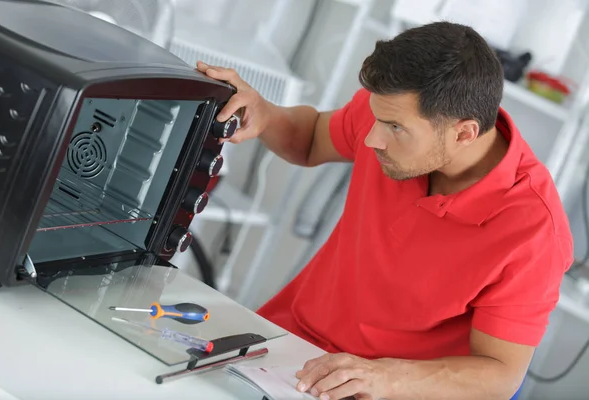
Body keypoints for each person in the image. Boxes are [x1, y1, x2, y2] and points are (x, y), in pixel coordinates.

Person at [197, 21, 573, 400]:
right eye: (377, 118)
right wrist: (263, 112)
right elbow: (311, 139)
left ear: (464, 133)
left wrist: (384, 378)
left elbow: (500, 374)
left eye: (394, 127)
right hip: (287, 354)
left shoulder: (535, 232)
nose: (372, 138)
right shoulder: (392, 109)